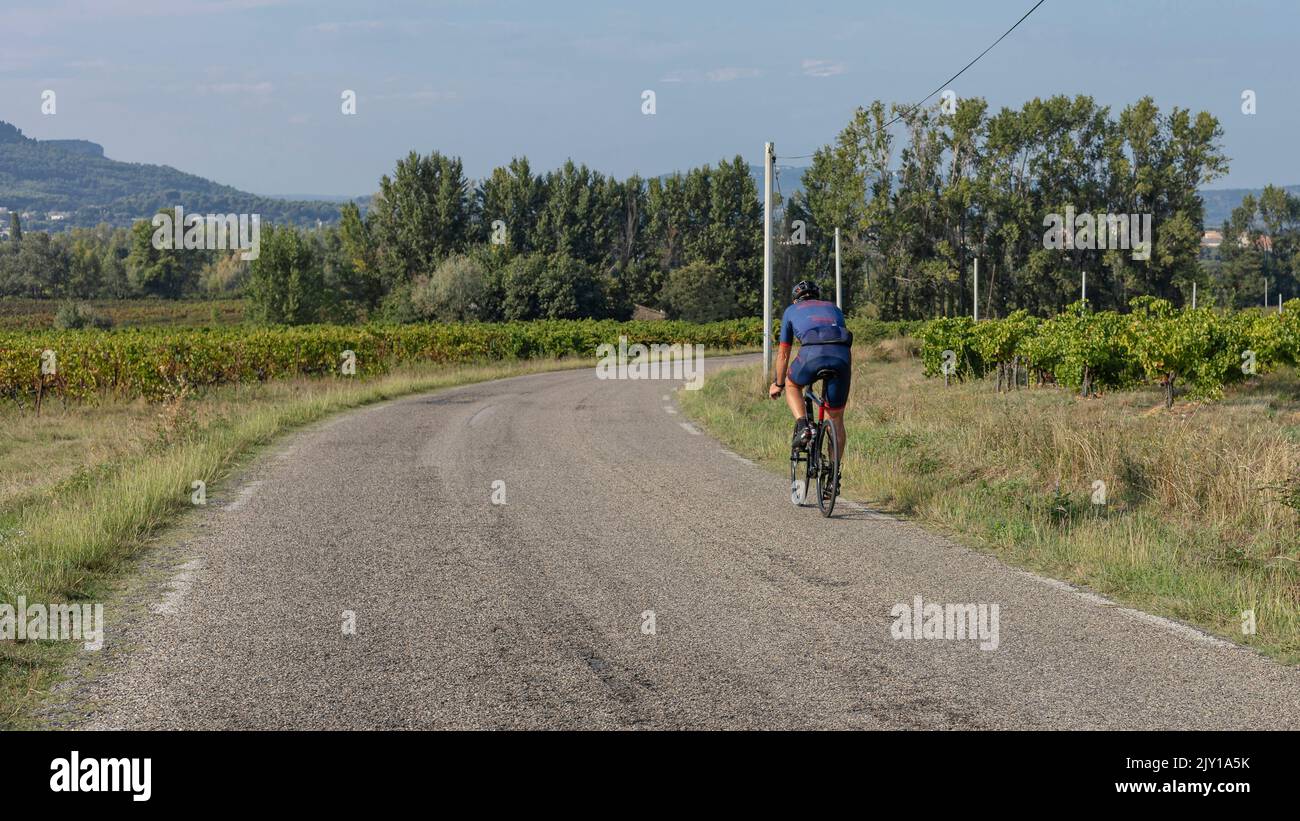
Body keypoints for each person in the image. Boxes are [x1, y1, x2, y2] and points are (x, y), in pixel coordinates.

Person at [767, 280, 853, 458]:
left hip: (811, 355)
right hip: (841, 356)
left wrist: (779, 383)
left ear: (795, 300)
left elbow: (783, 354)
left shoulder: (791, 311)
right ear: (817, 297)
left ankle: (803, 426)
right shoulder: (834, 308)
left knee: (792, 385)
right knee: (836, 418)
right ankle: (833, 476)